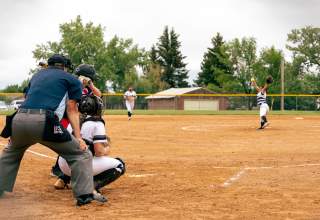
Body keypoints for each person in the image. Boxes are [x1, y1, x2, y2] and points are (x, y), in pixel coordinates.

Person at [0, 54, 105, 206]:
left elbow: (28, 96)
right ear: (65, 66)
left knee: (11, 153)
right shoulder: (70, 79)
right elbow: (72, 109)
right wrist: (79, 137)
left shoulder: (37, 76)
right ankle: (84, 195)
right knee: (81, 154)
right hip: (43, 121)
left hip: (18, 119)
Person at [53, 95, 125, 196]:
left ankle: (62, 179)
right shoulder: (97, 123)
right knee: (120, 164)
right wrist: (106, 149)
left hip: (63, 164)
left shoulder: (73, 120)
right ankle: (91, 186)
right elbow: (99, 151)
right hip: (80, 165)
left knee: (76, 152)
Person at [51, 64, 102, 177]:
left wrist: (91, 86)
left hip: (77, 119)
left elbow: (99, 95)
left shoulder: (88, 88)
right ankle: (58, 170)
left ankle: (64, 172)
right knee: (65, 141)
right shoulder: (72, 85)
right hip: (66, 118)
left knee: (74, 142)